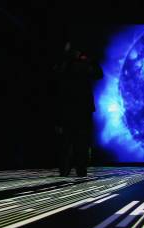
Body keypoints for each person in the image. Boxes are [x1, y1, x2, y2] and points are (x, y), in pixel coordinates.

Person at [54, 41, 103, 177]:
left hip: (78, 108)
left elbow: (98, 74)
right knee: (70, 141)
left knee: (77, 141)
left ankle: (76, 170)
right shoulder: (67, 65)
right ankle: (70, 170)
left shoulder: (79, 64)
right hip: (72, 107)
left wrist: (89, 61)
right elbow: (98, 74)